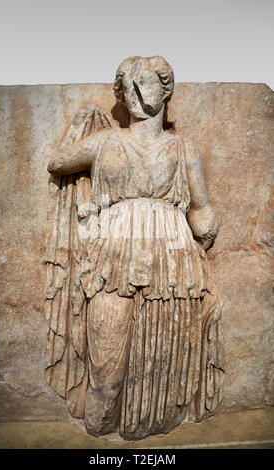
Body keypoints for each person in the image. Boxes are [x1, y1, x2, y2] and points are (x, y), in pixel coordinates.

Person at [47, 56, 224, 440]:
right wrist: (83, 122)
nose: (136, 92)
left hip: (172, 261)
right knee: (107, 365)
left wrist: (205, 233)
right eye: (126, 84)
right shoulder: (106, 142)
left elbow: (201, 209)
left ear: (166, 90)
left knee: (162, 360)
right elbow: (59, 162)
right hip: (114, 257)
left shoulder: (183, 149)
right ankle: (102, 416)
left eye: (145, 83)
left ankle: (154, 420)